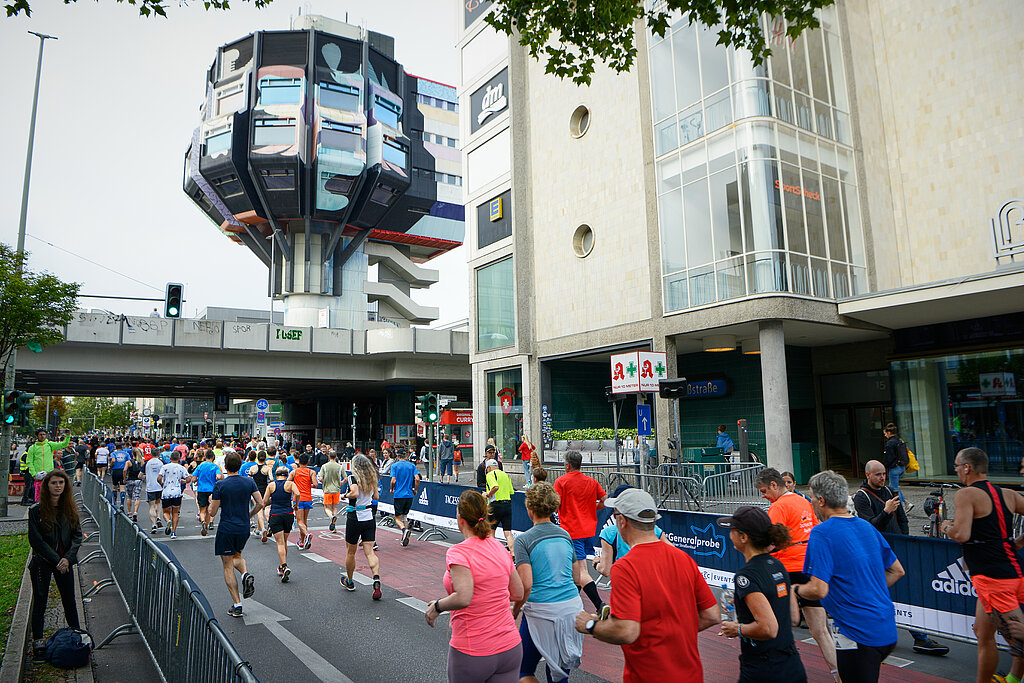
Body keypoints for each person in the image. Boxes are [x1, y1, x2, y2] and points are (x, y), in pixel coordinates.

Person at [574, 488, 719, 682]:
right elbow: (712, 615)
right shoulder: (683, 558)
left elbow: (626, 631)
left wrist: (590, 624)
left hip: (648, 674)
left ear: (622, 521)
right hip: (691, 674)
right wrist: (675, 635)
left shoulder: (625, 567)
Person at [794, 470, 905, 683]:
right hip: (885, 628)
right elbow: (897, 570)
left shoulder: (822, 532)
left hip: (856, 632)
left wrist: (795, 590)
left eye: (812, 498)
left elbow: (818, 589)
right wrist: (864, 589)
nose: (812, 504)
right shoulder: (865, 526)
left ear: (822, 500)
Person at [942, 447, 1024, 683]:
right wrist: (1017, 542)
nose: (957, 471)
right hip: (1011, 571)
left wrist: (946, 526)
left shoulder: (966, 494)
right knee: (983, 632)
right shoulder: (1006, 493)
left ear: (967, 468)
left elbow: (961, 534)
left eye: (957, 466)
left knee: (1020, 641)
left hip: (993, 578)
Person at [425, 490, 525, 683]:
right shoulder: (497, 546)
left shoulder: (458, 552)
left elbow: (464, 597)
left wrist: (436, 607)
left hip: (474, 650)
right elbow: (518, 592)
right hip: (509, 647)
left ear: (460, 519)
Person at [854, 459, 949, 656]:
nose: (882, 478)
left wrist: (905, 541)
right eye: (878, 474)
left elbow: (903, 519)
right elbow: (869, 529)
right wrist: (886, 511)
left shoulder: (889, 491)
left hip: (897, 549)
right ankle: (909, 637)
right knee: (885, 593)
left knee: (906, 592)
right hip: (876, 554)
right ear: (868, 475)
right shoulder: (861, 497)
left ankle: (919, 637)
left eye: (884, 474)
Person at [755, 467, 836, 678]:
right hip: (809, 567)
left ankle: (780, 671)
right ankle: (839, 674)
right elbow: (816, 530)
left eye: (764, 491)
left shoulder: (778, 507)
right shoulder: (803, 501)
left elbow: (769, 543)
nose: (763, 496)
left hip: (787, 570)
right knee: (820, 631)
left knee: (776, 626)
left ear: (774, 485)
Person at [717, 505, 807, 683]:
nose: (730, 535)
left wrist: (737, 629)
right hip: (791, 665)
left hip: (764, 669)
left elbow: (768, 628)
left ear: (743, 537)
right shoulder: (778, 565)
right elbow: (794, 618)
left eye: (732, 531)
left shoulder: (746, 576)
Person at [512, 482, 583, 683]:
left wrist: (515, 610)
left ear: (530, 509)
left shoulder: (523, 540)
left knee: (523, 670)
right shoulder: (565, 535)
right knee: (559, 673)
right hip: (570, 608)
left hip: (540, 610)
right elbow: (577, 577)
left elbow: (526, 585)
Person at [27, 470, 83, 663]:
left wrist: (67, 558)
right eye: (54, 483)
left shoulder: (69, 508)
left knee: (69, 600)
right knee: (40, 601)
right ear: (47, 486)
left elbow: (76, 536)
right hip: (43, 562)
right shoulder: (36, 510)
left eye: (61, 482)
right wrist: (55, 559)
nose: (58, 486)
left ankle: (77, 636)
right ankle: (38, 642)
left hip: (65, 562)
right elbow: (36, 540)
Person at [208, 451, 263, 617]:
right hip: (243, 527)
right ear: (240, 465)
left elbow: (212, 512)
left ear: (225, 466)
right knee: (237, 556)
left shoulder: (221, 485)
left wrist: (211, 505)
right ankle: (245, 574)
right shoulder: (249, 482)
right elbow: (260, 503)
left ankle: (237, 605)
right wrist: (250, 515)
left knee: (227, 565)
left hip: (227, 527)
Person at [553, 450, 607, 614]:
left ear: (567, 465)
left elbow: (556, 504)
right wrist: (593, 508)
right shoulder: (591, 481)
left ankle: (600, 605)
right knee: (575, 570)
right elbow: (605, 500)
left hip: (571, 530)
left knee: (581, 571)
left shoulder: (561, 481)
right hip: (589, 530)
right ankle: (570, 604)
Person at [595, 485, 668, 578]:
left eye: (615, 514)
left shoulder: (609, 533)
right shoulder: (657, 531)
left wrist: (596, 563)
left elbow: (605, 570)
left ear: (622, 520)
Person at [339, 454, 383, 600]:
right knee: (370, 552)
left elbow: (355, 493)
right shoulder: (372, 478)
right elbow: (376, 497)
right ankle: (376, 577)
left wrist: (345, 495)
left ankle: (350, 581)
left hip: (355, 517)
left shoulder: (353, 477)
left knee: (350, 552)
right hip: (369, 516)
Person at [263, 466, 297, 582]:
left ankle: (284, 566)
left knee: (280, 543)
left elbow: (264, 501)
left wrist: (272, 500)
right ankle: (282, 565)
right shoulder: (290, 484)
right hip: (288, 514)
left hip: (275, 515)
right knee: (284, 541)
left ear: (276, 474)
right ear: (286, 475)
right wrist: (295, 504)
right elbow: (297, 494)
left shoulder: (271, 485)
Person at [26, 428, 70, 503]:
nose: (42, 436)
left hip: (49, 475)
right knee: (38, 498)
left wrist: (68, 436)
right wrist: (34, 474)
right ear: (37, 436)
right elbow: (29, 462)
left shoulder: (50, 445)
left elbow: (64, 444)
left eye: (44, 434)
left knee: (50, 497)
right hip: (38, 476)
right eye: (40, 435)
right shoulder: (32, 448)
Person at [157, 451, 192, 539]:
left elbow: (159, 478)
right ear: (179, 459)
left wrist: (162, 484)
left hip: (166, 492)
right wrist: (183, 481)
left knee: (166, 511)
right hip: (177, 492)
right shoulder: (181, 468)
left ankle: (168, 521)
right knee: (175, 512)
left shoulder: (164, 467)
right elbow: (188, 479)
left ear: (170, 458)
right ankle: (173, 532)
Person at [390, 448, 420, 546]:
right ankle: (404, 538)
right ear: (406, 455)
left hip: (399, 494)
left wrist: (391, 489)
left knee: (397, 518)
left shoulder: (394, 466)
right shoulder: (411, 466)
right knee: (405, 516)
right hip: (409, 495)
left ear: (398, 456)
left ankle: (404, 530)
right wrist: (415, 489)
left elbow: (393, 480)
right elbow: (417, 478)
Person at [290, 453, 319, 550]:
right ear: (308, 462)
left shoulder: (294, 472)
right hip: (307, 498)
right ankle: (302, 542)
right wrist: (308, 485)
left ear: (298, 461)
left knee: (299, 521)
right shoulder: (311, 472)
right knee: (304, 521)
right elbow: (315, 484)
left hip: (297, 498)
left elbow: (288, 482)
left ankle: (306, 535)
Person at [485, 458, 515, 550]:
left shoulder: (490, 474)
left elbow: (495, 487)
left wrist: (486, 494)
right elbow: (511, 491)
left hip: (495, 505)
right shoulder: (505, 475)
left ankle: (493, 553)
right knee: (508, 532)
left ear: (489, 468)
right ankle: (513, 553)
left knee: (491, 531)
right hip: (507, 504)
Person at [882, 422, 912, 512]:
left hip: (894, 468)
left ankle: (902, 507)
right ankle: (906, 502)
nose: (885, 436)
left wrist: (884, 466)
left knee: (894, 489)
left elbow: (889, 457)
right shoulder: (899, 441)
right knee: (894, 487)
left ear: (888, 432)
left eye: (885, 434)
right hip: (901, 467)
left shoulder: (890, 443)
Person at [194, 450, 223, 537]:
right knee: (209, 510)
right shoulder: (215, 466)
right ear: (213, 457)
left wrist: (196, 481)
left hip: (201, 489)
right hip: (212, 490)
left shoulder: (200, 466)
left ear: (205, 457)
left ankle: (203, 522)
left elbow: (193, 478)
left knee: (202, 509)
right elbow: (218, 477)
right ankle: (206, 525)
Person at [320, 450, 343, 532]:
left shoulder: (324, 466)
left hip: (327, 489)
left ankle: (331, 517)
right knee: (334, 507)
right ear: (336, 456)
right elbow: (346, 477)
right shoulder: (340, 466)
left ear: (329, 457)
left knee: (327, 508)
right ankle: (334, 526)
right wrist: (341, 483)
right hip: (336, 489)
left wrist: (324, 482)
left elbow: (320, 478)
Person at [143, 448, 165, 533]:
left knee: (151, 506)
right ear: (159, 454)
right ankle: (159, 517)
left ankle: (153, 525)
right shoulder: (161, 463)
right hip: (159, 486)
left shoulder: (147, 463)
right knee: (158, 503)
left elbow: (142, 474)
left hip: (150, 487)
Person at [123, 447, 144, 522]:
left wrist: (124, 478)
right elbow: (143, 470)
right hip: (138, 480)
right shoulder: (141, 462)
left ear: (132, 454)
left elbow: (125, 470)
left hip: (130, 480)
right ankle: (135, 511)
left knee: (129, 496)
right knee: (137, 496)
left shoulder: (128, 462)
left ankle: (129, 512)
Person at [109, 441, 131, 509]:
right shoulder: (126, 454)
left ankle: (115, 502)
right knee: (122, 488)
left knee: (115, 486)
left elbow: (113, 460)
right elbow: (129, 462)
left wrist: (110, 466)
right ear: (122, 447)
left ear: (115, 447)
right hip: (123, 470)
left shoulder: (113, 453)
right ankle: (122, 503)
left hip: (115, 470)